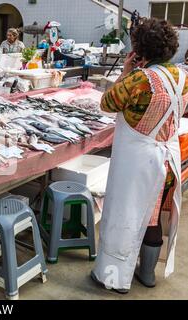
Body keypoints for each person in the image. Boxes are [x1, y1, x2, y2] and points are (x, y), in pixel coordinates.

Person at [91, 18, 188, 294]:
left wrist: (125, 71)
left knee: (126, 216)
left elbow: (107, 103)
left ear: (140, 48)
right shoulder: (183, 77)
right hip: (167, 160)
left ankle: (113, 279)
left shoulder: (139, 80)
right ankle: (147, 273)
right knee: (153, 217)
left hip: (137, 163)